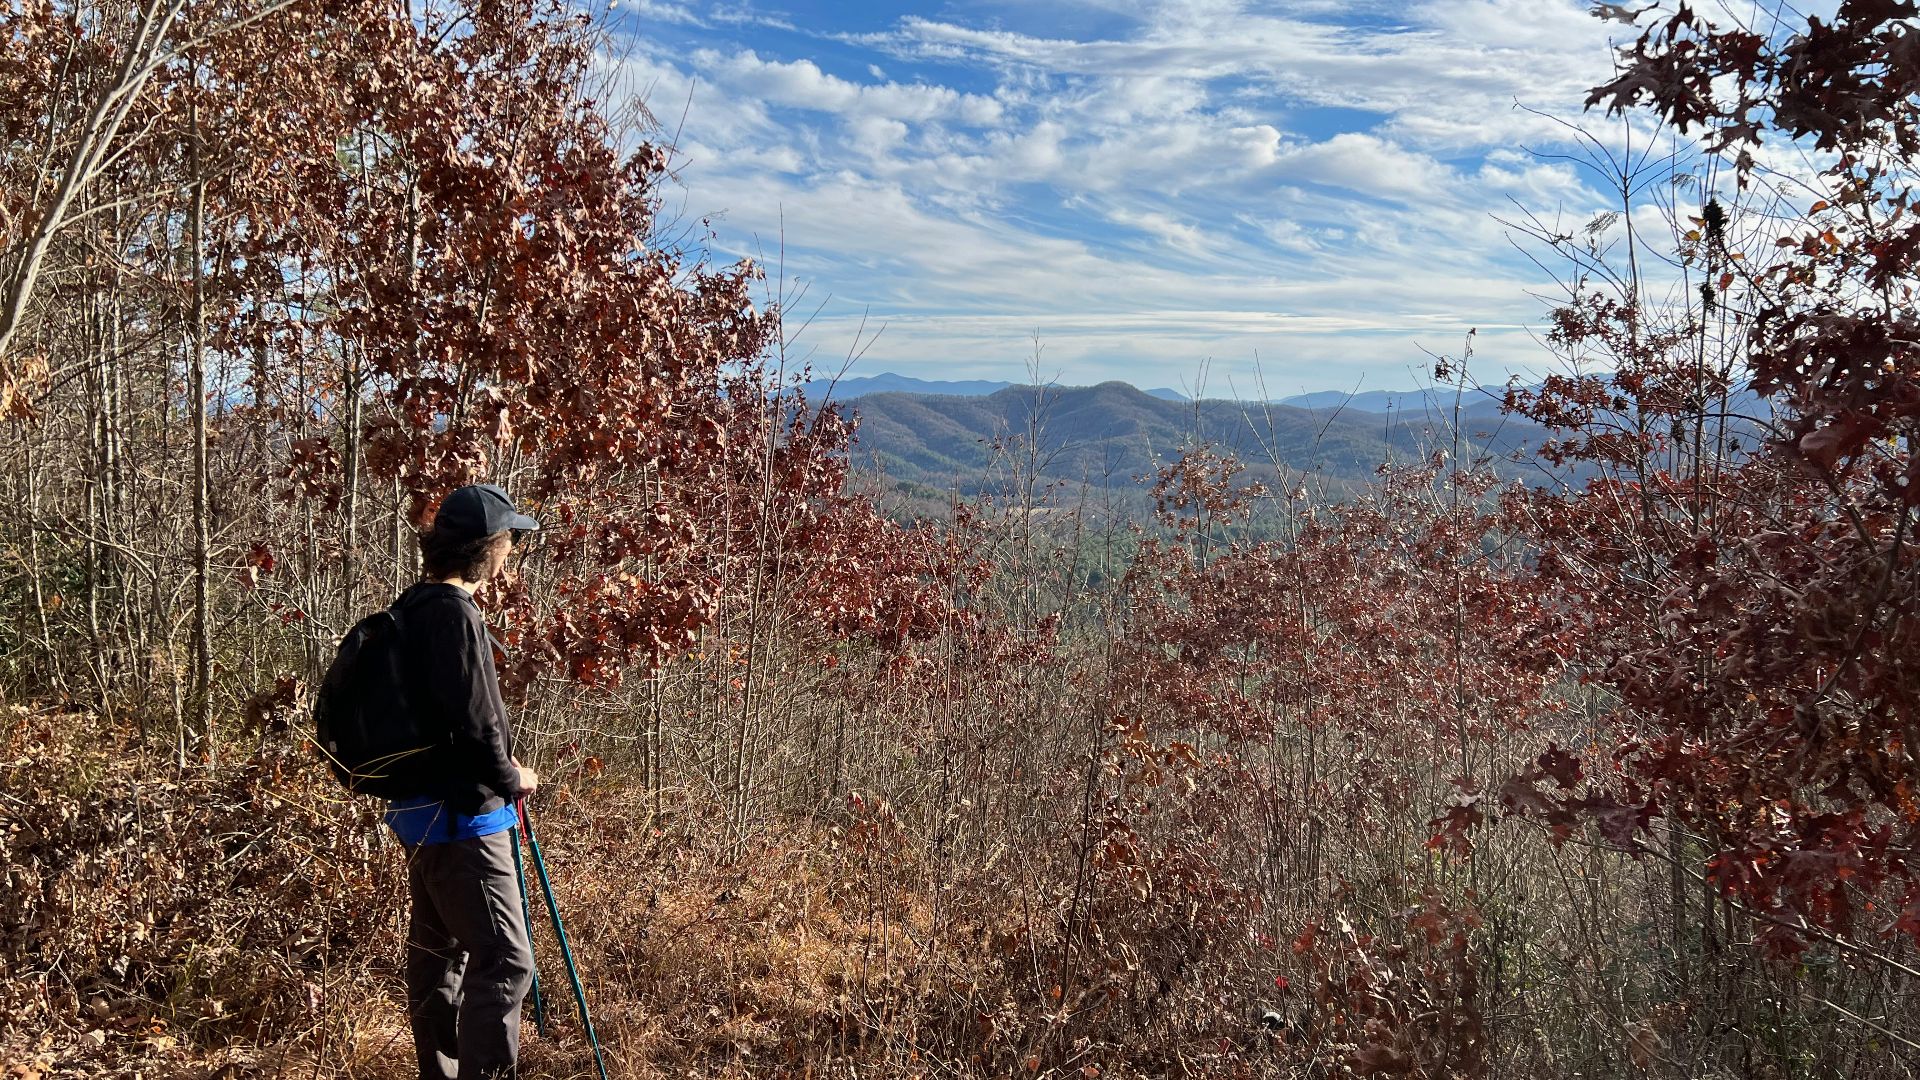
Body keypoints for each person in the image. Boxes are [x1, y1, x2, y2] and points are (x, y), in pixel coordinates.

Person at [386, 483, 541, 1080]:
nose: (511, 552)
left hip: (420, 815)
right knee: (504, 961)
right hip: (464, 821)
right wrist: (513, 776)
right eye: (508, 541)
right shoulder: (454, 616)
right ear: (488, 548)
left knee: (440, 956)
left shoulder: (413, 607)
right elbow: (475, 728)